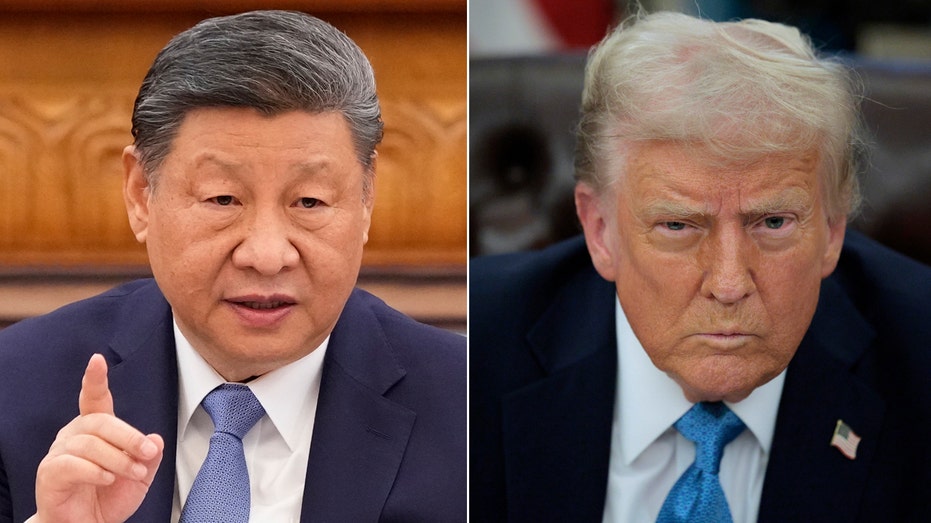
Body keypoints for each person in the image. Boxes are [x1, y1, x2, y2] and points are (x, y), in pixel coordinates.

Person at [0, 10, 465, 523]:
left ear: (366, 200)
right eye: (223, 199)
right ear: (140, 195)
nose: (266, 256)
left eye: (309, 202)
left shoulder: (469, 406)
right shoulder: (13, 387)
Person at [470, 10, 931, 523]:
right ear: (600, 231)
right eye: (678, 225)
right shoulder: (477, 352)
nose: (730, 284)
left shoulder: (919, 358)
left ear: (832, 230)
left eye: (773, 222)